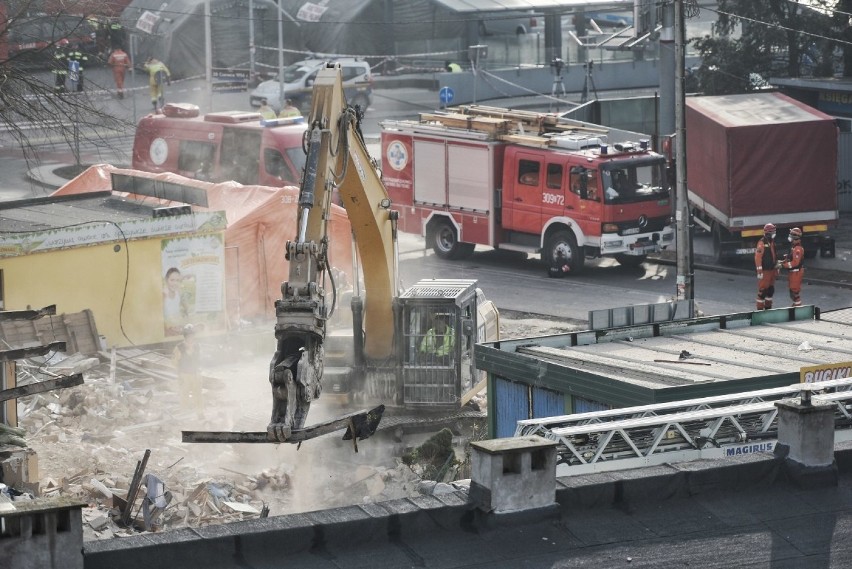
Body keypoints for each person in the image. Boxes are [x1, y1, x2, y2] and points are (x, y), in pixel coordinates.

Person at [173, 324, 203, 419]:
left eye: (192, 335)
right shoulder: (179, 347)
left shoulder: (197, 346)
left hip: (195, 374)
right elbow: (174, 362)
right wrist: (179, 373)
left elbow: (199, 359)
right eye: (188, 335)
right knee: (184, 395)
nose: (191, 337)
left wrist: (199, 369)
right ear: (185, 336)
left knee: (198, 395)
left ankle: (200, 413)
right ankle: (184, 414)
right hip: (184, 375)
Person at [754, 222, 779, 310]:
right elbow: (758, 257)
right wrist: (759, 270)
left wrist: (776, 267)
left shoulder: (771, 242)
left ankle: (768, 308)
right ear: (769, 233)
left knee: (770, 290)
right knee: (763, 291)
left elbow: (774, 256)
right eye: (773, 232)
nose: (774, 234)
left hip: (771, 270)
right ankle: (760, 309)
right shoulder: (762, 243)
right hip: (765, 271)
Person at [781, 227, 805, 307]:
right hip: (793, 272)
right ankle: (796, 305)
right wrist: (785, 260)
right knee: (792, 291)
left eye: (791, 235)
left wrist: (783, 265)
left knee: (794, 292)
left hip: (796, 273)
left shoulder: (797, 249)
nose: (789, 237)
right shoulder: (794, 247)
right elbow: (791, 258)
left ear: (794, 237)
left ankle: (798, 306)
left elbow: (795, 263)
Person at [163, 267, 188, 336]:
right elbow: (158, 317)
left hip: (177, 326)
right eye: (172, 280)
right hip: (168, 329)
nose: (175, 283)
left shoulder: (178, 293)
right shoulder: (163, 295)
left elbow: (186, 310)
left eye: (177, 280)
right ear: (166, 280)